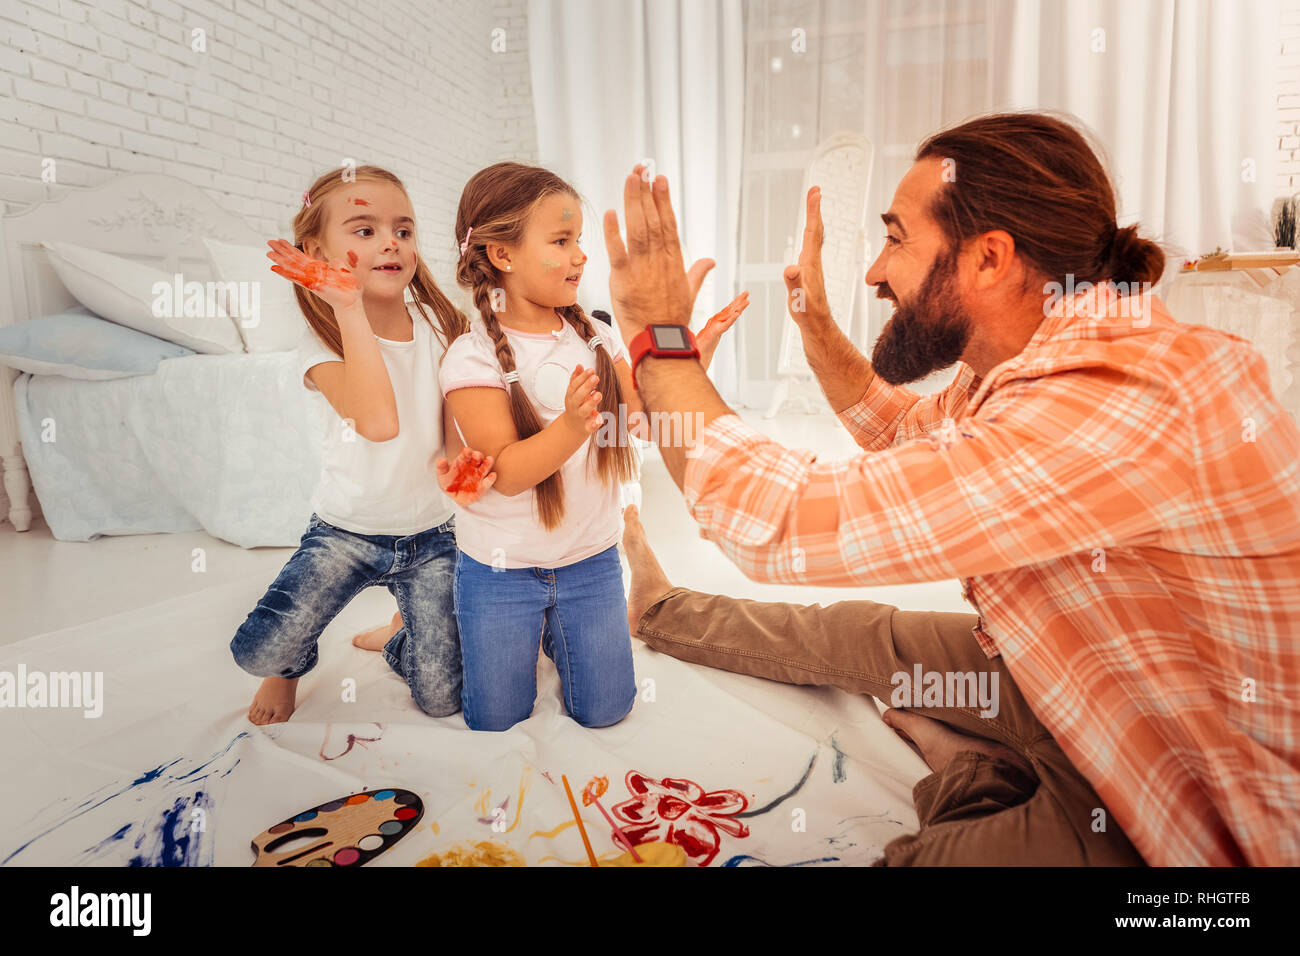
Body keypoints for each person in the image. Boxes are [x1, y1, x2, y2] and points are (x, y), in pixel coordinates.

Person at [603, 111, 1300, 866]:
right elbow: (909, 434)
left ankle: (975, 777)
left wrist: (657, 336)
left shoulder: (1117, 398)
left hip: (1171, 796)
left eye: (896, 237)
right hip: (1070, 681)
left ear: (990, 259)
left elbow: (776, 520)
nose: (876, 270)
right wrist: (817, 328)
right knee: (857, 631)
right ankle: (664, 611)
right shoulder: (1034, 361)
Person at [440, 162, 745, 732]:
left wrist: (684, 346)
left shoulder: (596, 337)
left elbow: (648, 421)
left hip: (589, 559)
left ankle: (558, 631)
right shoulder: (471, 357)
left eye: (579, 239)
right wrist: (574, 428)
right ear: (503, 256)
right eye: (562, 240)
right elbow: (505, 473)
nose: (581, 255)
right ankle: (431, 633)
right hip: (501, 570)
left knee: (607, 710)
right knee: (495, 720)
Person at [229, 165, 495, 725]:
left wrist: (454, 463)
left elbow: (451, 415)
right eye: (364, 230)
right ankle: (290, 668)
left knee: (443, 699)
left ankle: (402, 630)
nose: (390, 244)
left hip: (431, 534)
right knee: (258, 651)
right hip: (345, 532)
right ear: (316, 250)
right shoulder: (318, 341)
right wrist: (347, 307)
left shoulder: (440, 323)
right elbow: (377, 422)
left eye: (403, 229)